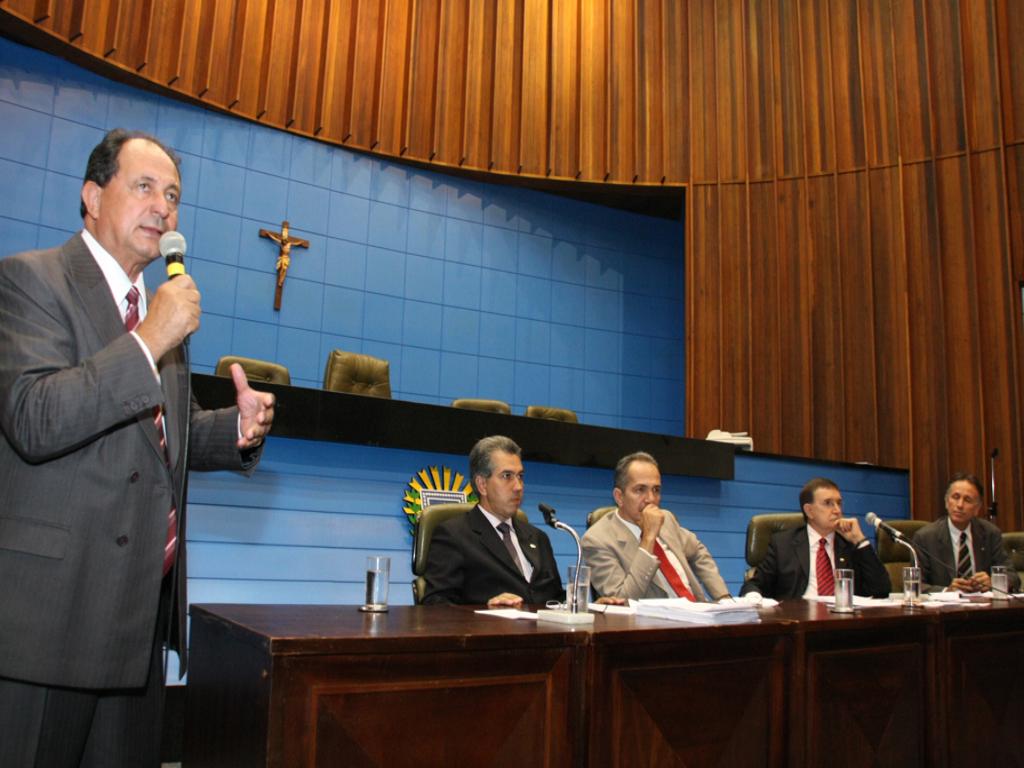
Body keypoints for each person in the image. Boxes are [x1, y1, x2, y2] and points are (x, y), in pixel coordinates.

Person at [0, 129, 275, 767]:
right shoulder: (31, 281)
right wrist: (149, 339)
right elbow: (35, 417)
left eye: (173, 195)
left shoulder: (155, 312)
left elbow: (163, 434)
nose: (163, 208)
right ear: (93, 197)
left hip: (137, 626)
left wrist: (235, 430)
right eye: (145, 187)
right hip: (48, 624)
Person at [422, 435, 563, 607]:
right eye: (507, 476)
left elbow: (557, 598)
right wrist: (487, 610)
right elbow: (436, 604)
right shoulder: (453, 536)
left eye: (520, 476)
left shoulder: (538, 538)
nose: (518, 486)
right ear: (482, 484)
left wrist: (583, 605)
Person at [582, 451, 730, 601]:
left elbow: (698, 552)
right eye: (640, 490)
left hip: (696, 609)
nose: (651, 499)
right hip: (654, 615)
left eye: (656, 490)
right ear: (619, 497)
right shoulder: (597, 540)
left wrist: (723, 596)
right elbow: (623, 601)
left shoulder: (666, 519)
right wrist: (648, 538)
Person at [741, 477, 890, 599]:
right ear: (809, 511)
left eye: (839, 503)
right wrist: (754, 597)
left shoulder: (849, 544)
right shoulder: (783, 544)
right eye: (828, 503)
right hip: (799, 620)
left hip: (843, 620)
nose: (837, 510)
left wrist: (860, 541)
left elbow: (881, 590)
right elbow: (754, 585)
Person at [914, 472, 1020, 594]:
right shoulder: (925, 537)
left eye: (967, 500)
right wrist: (947, 591)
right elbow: (916, 584)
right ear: (946, 502)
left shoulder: (990, 533)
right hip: (945, 605)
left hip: (982, 604)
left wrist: (993, 582)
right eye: (955, 497)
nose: (960, 505)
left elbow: (1013, 577)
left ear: (977, 508)